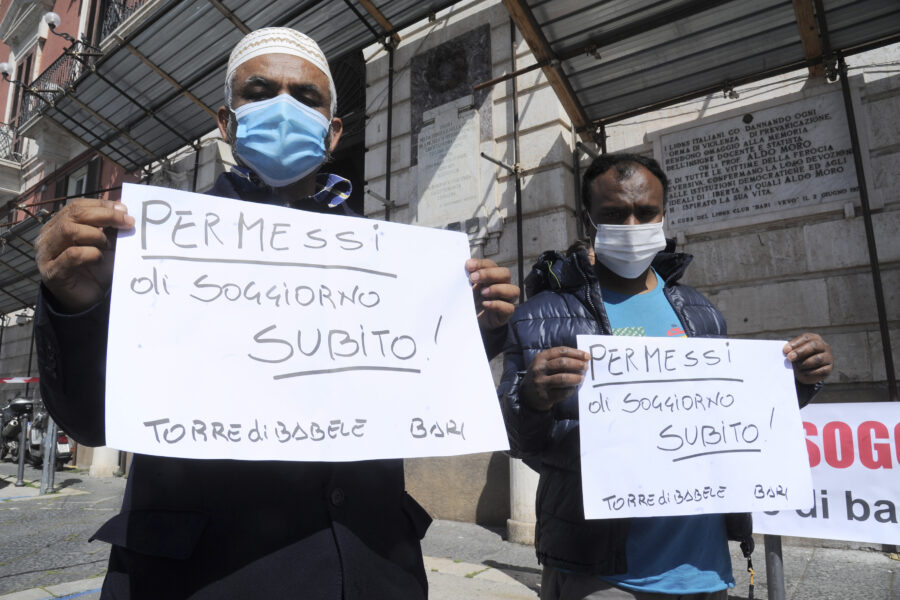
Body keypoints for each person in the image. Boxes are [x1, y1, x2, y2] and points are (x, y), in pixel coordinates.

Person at [35, 28, 518, 600]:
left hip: (373, 572)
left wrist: (469, 329)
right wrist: (75, 302)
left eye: (307, 97)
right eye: (260, 92)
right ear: (227, 122)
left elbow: (414, 393)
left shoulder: (389, 264)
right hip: (202, 581)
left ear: (333, 131)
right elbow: (91, 422)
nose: (284, 108)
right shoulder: (152, 248)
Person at [498, 153, 833, 600]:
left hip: (705, 571)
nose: (632, 225)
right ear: (588, 218)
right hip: (600, 575)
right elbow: (518, 441)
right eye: (614, 214)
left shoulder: (700, 311)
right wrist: (531, 398)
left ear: (663, 214)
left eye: (646, 212)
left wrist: (799, 380)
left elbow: (734, 413)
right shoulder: (540, 317)